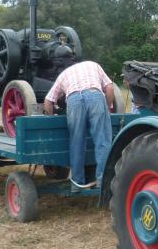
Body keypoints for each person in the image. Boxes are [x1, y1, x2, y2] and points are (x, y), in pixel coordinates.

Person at [44, 61, 114, 191]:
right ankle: (102, 181)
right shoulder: (93, 65)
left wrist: (51, 117)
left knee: (76, 143)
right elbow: (110, 88)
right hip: (95, 95)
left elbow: (48, 101)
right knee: (103, 141)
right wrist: (107, 107)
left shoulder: (63, 75)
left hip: (73, 100)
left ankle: (77, 184)